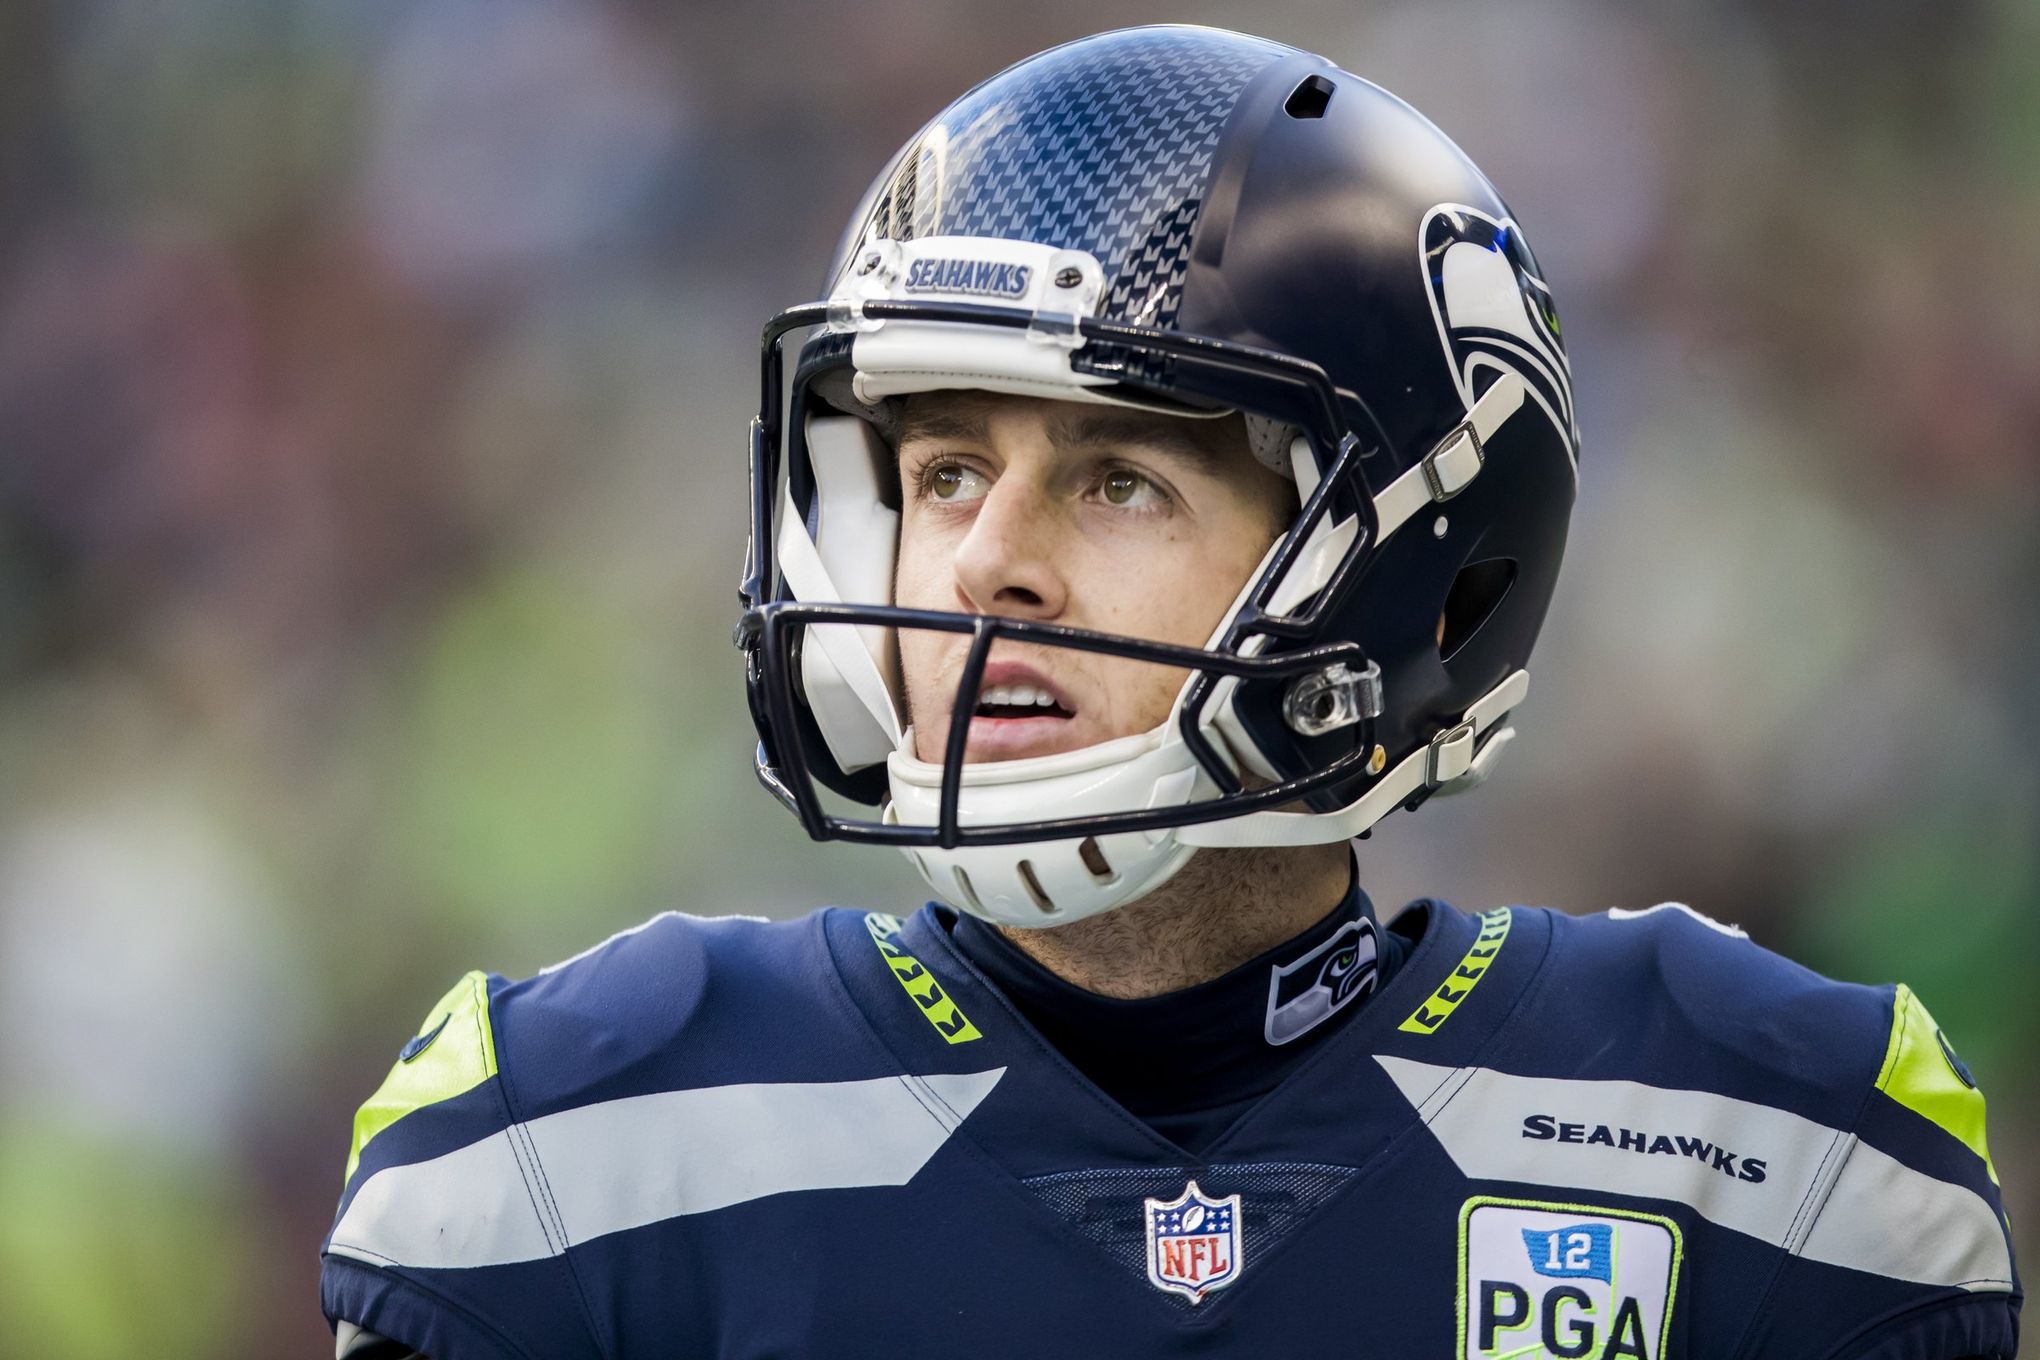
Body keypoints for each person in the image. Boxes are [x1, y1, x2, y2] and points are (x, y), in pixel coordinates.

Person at [320, 25, 2020, 1360]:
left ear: (1407, 562)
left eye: (1121, 477)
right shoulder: (565, 1154)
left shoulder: (1768, 1157)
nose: (986, 562)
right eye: (942, 472)